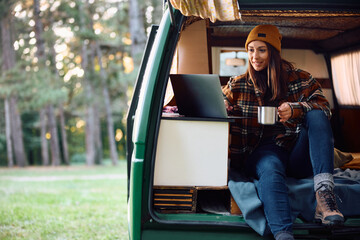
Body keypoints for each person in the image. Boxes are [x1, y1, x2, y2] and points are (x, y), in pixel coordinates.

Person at [222, 25, 344, 240]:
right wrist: (223, 106)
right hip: (262, 152)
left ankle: (324, 195)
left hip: (296, 149)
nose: (254, 56)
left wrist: (296, 109)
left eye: (261, 50)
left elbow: (324, 108)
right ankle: (283, 234)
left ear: (274, 52)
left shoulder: (301, 79)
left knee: (316, 115)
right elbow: (219, 102)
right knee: (270, 167)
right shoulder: (238, 85)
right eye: (250, 50)